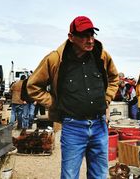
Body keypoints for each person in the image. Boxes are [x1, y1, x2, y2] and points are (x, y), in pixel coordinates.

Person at [27, 16, 119, 179]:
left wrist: (106, 100)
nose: (90, 40)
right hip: (73, 127)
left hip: (99, 126)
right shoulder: (56, 59)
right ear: (71, 37)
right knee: (70, 176)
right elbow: (33, 86)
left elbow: (114, 78)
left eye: (92, 35)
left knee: (100, 175)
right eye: (84, 36)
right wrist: (55, 104)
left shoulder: (101, 55)